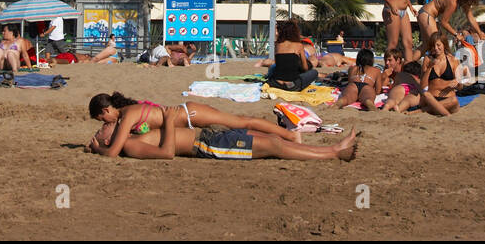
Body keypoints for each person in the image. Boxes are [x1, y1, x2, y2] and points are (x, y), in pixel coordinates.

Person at [90, 104, 360, 162]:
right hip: (208, 147)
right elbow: (166, 153)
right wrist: (171, 123)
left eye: (102, 122)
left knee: (274, 142)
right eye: (102, 129)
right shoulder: (128, 146)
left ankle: (334, 148)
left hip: (207, 137)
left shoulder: (132, 134)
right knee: (274, 148)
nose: (104, 125)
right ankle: (334, 153)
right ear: (106, 139)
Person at [87, 92, 306, 154]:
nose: (105, 123)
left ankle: (290, 136)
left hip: (190, 115)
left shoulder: (128, 115)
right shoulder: (129, 112)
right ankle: (285, 138)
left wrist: (100, 148)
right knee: (239, 127)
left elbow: (114, 151)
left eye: (101, 119)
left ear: (107, 110)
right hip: (188, 121)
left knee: (241, 121)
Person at [417, 0, 485, 52]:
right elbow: (443, 22)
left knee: (425, 46)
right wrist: (456, 34)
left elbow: (471, 18)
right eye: (471, 2)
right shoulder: (453, 1)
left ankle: (409, 62)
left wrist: (480, 33)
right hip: (427, 14)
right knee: (438, 45)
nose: (471, 5)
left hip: (425, 14)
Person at [413, 35, 466, 116]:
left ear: (444, 44)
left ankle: (420, 111)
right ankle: (443, 113)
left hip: (448, 100)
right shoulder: (428, 59)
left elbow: (460, 87)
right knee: (425, 95)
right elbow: (423, 86)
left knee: (454, 101)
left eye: (438, 45)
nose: (436, 48)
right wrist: (429, 68)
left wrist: (457, 81)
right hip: (432, 99)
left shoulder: (453, 60)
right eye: (433, 46)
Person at [268, 20, 319, 91]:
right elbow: (305, 68)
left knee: (273, 68)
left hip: (276, 84)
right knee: (314, 72)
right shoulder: (299, 45)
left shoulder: (277, 45)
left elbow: (278, 64)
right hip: (291, 85)